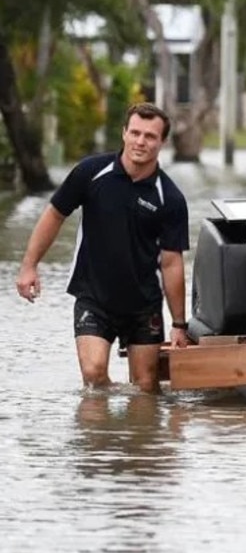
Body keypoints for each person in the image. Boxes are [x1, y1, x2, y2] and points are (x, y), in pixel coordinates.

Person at [15, 102, 191, 393]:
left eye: (150, 136)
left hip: (143, 304)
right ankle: (104, 432)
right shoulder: (91, 172)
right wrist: (29, 266)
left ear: (162, 142)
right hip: (93, 297)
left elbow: (172, 263)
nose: (140, 141)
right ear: (123, 133)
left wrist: (179, 324)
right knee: (94, 377)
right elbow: (54, 214)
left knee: (146, 389)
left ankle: (131, 434)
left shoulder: (170, 198)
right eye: (135, 133)